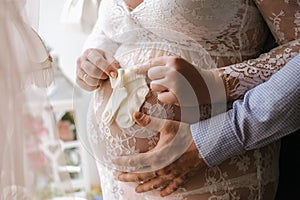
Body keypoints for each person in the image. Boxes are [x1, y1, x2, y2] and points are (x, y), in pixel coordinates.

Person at [76, 0, 300, 199]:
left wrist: (218, 82)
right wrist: (91, 58)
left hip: (216, 169)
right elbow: (111, 31)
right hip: (116, 181)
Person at [114, 53, 300, 197]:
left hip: (224, 176)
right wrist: (95, 54)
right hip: (120, 188)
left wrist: (220, 83)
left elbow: (295, 44)